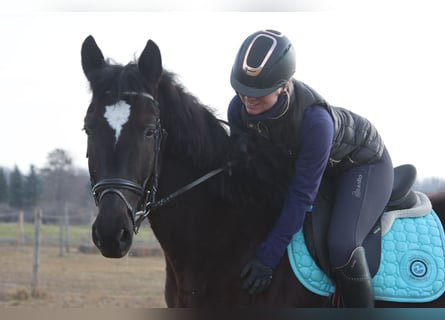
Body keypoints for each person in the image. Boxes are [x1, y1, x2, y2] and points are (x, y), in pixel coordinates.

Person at [228, 29, 394, 307]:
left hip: (362, 166)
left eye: (259, 93)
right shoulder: (238, 109)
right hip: (317, 168)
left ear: (283, 85)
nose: (248, 100)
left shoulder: (315, 122)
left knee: (342, 245)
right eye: (242, 91)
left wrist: (268, 258)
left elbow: (301, 195)